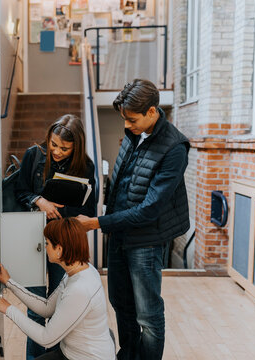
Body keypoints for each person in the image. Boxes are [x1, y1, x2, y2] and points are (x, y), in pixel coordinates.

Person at [76, 79, 190, 360]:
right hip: (120, 234)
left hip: (146, 241)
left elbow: (151, 208)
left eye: (132, 119)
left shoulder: (174, 148)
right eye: (124, 119)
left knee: (148, 315)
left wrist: (97, 223)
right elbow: (121, 183)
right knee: (120, 304)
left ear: (152, 111)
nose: (126, 125)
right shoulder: (133, 133)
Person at [14, 114, 96, 359]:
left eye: (64, 148)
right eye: (53, 144)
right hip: (32, 239)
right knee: (35, 310)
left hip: (64, 243)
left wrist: (62, 209)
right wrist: (39, 200)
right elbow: (20, 191)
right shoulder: (34, 154)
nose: (57, 151)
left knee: (60, 308)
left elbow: (89, 211)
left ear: (76, 147)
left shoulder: (86, 166)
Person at [0, 218, 115, 360]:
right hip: (70, 353)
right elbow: (47, 308)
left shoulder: (80, 289)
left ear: (59, 249)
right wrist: (9, 282)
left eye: (47, 243)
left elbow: (47, 338)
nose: (44, 247)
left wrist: (8, 308)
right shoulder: (78, 271)